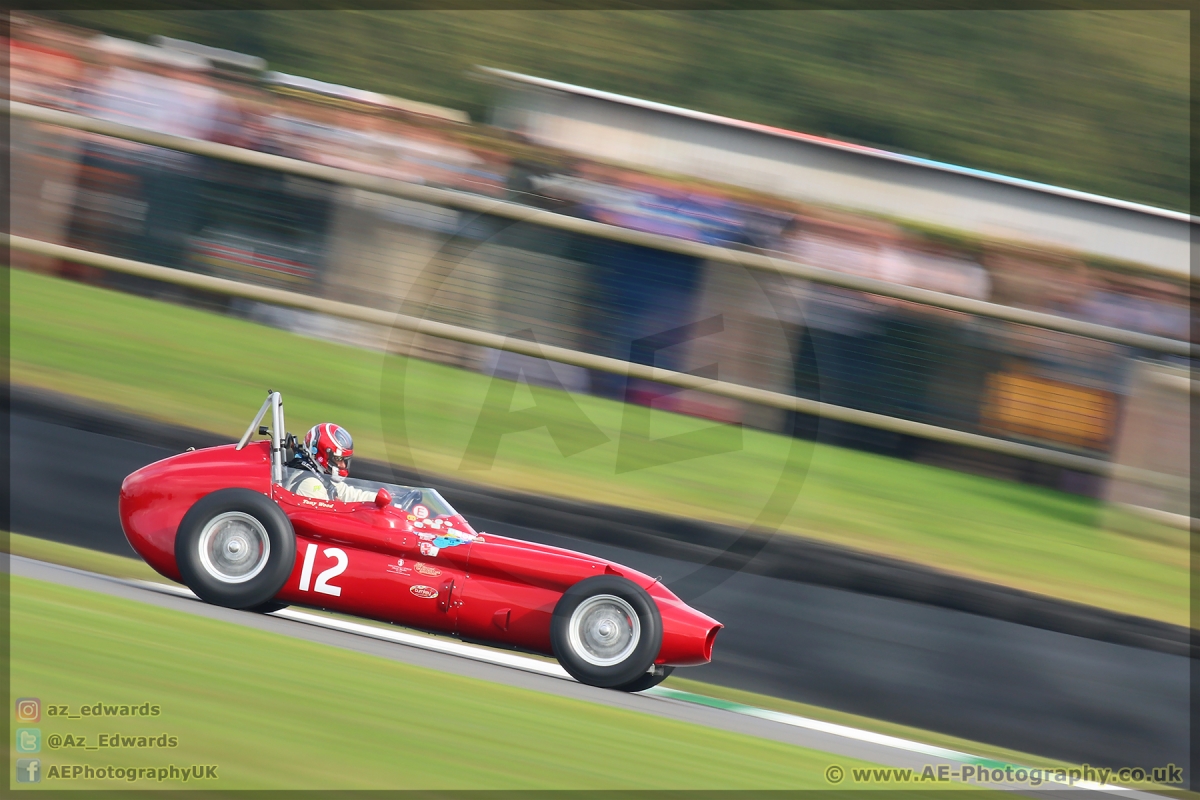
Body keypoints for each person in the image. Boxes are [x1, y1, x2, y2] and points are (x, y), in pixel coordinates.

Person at [287, 423, 378, 503]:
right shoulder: (311, 484)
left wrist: (383, 500)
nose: (343, 465)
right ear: (320, 455)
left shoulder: (322, 477)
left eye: (345, 460)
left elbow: (351, 495)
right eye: (338, 459)